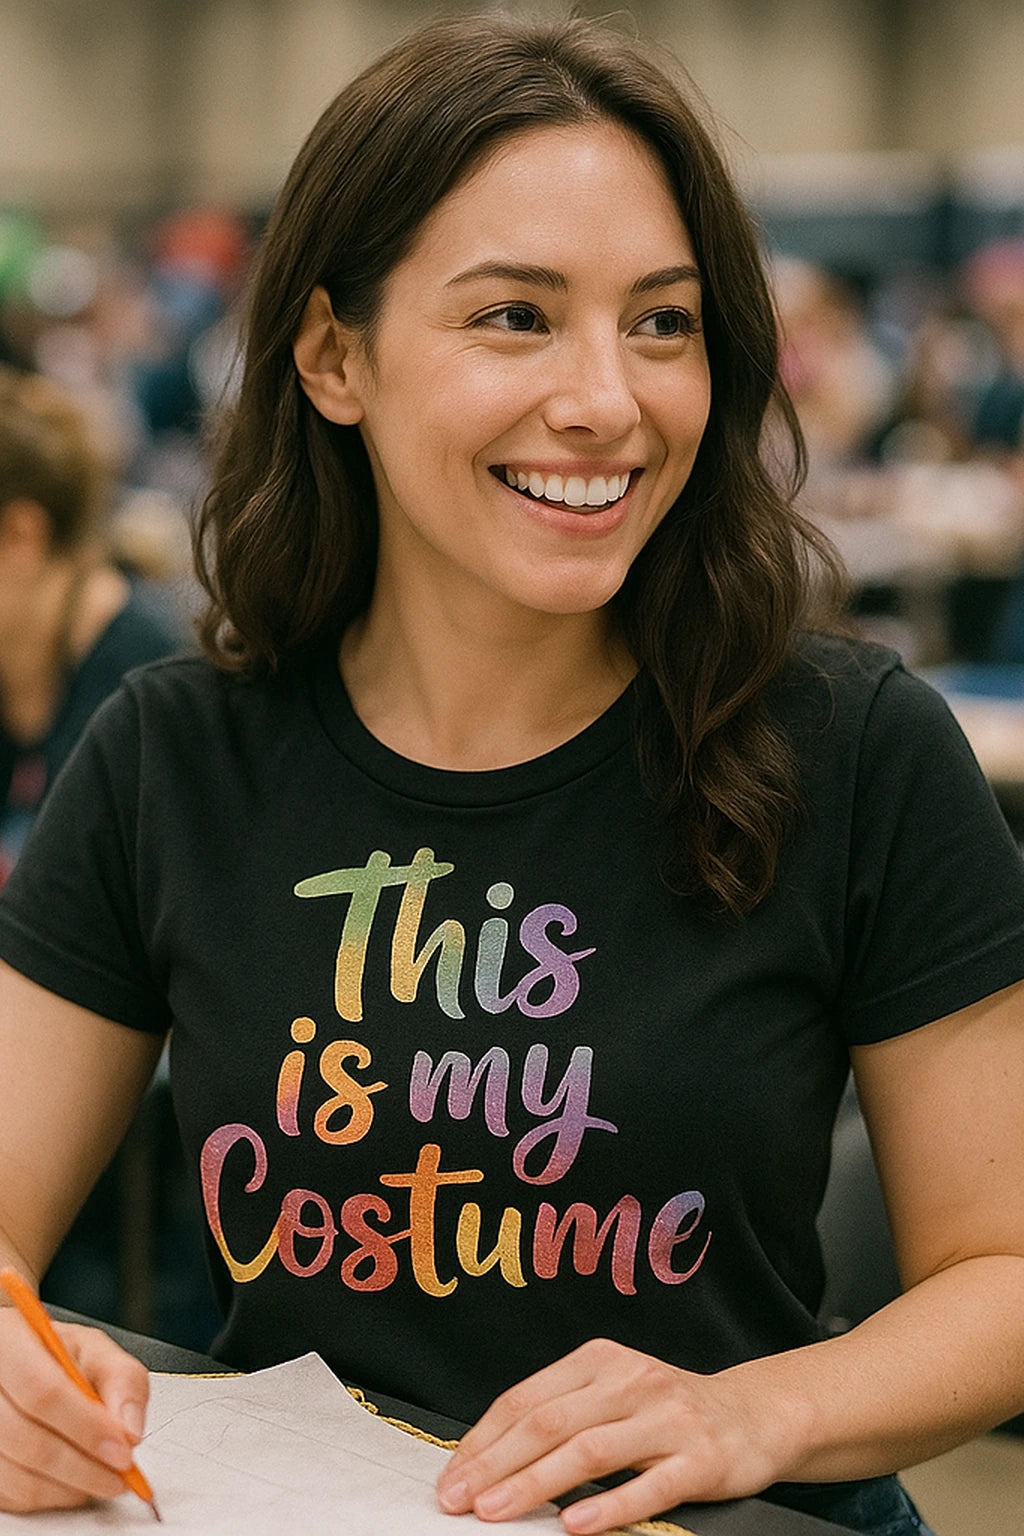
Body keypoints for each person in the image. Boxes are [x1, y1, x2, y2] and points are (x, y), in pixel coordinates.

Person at [0, 14, 1022, 1535]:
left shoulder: (851, 745)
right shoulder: (172, 756)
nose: (609, 398)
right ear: (334, 355)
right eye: (516, 318)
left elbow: (1001, 1272)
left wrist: (753, 1408)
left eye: (663, 323)